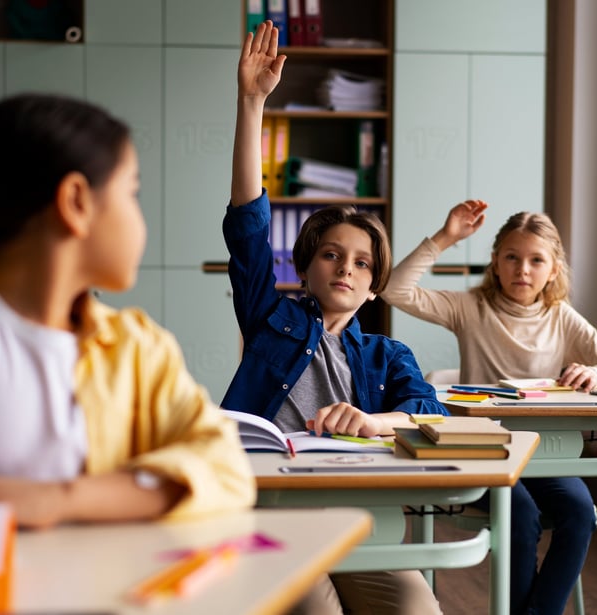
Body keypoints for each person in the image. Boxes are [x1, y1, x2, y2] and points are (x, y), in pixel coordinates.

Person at [0, 92, 255, 527]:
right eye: (132, 191)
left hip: (101, 595)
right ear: (76, 201)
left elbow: (226, 467)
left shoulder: (138, 348)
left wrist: (60, 499)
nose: (140, 218)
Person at [222, 21, 446, 615]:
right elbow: (247, 227)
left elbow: (430, 413)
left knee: (417, 610)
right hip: (272, 514)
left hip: (358, 521)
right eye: (331, 255)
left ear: (374, 288)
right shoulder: (271, 319)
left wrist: (376, 423)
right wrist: (251, 104)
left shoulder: (387, 358)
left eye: (362, 263)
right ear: (307, 267)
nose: (346, 268)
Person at [381, 199, 597, 615]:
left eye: (536, 260)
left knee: (579, 513)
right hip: (485, 453)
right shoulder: (470, 308)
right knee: (519, 514)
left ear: (553, 269)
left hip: (544, 455)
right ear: (495, 263)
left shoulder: (561, 317)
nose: (523, 270)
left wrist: (595, 373)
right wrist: (446, 238)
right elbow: (394, 289)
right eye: (512, 258)